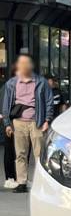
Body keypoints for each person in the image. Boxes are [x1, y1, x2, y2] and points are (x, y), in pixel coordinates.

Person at [2, 54, 55, 194]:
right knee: (20, 154)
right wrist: (7, 124)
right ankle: (22, 182)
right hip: (18, 122)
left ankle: (41, 183)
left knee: (39, 154)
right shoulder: (11, 84)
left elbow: (49, 102)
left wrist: (47, 120)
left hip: (36, 122)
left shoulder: (41, 82)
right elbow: (6, 105)